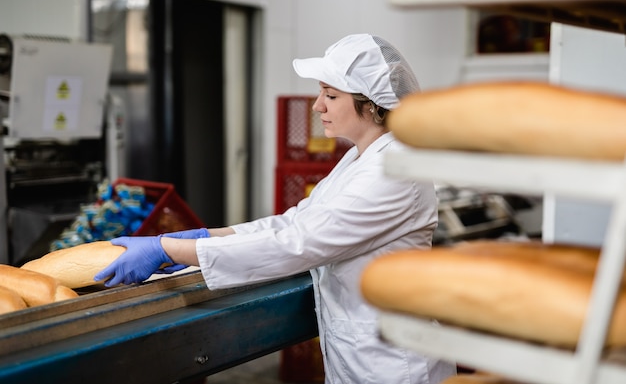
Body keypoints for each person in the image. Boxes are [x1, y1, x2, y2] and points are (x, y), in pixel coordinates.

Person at [94, 33, 457, 384]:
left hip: (396, 364)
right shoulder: (359, 157)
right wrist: (206, 238)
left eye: (330, 95)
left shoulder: (394, 169)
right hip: (364, 350)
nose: (317, 106)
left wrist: (171, 249)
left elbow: (299, 242)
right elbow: (296, 220)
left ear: (374, 104)